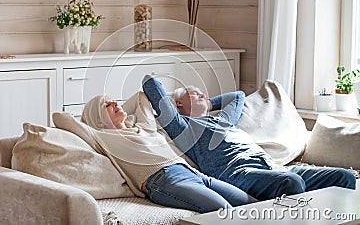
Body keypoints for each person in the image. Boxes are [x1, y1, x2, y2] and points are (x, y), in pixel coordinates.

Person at [142, 75, 357, 201]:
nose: (202, 95)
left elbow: (238, 96)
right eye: (194, 93)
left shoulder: (223, 120)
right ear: (178, 104)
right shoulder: (183, 127)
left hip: (273, 166)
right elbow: (149, 82)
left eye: (203, 94)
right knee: (292, 183)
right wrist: (174, 102)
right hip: (239, 174)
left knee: (344, 177)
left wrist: (208, 105)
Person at [81, 92, 257, 213]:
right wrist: (99, 122)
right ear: (97, 119)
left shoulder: (144, 127)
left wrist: (119, 112)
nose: (114, 104)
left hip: (192, 172)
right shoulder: (103, 136)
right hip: (164, 181)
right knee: (223, 211)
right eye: (106, 105)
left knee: (252, 204)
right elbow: (62, 118)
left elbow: (141, 96)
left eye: (113, 101)